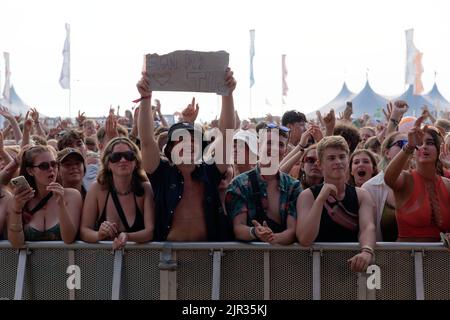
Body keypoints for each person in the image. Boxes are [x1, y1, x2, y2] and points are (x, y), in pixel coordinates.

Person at [137, 68, 236, 241]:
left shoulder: (210, 171)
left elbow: (227, 134)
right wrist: (146, 98)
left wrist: (226, 94)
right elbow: (146, 139)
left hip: (209, 258)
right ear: (170, 148)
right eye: (181, 139)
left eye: (194, 140)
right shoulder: (161, 174)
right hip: (168, 261)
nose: (189, 144)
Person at [296, 136, 376, 272]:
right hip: (316, 270)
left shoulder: (362, 195)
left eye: (342, 157)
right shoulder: (307, 196)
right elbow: (305, 238)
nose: (338, 161)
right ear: (320, 164)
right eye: (331, 158)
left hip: (352, 269)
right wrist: (321, 198)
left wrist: (367, 251)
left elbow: (367, 226)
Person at [226, 123, 301, 244]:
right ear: (259, 145)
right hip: (250, 260)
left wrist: (271, 239)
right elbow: (238, 227)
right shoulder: (240, 184)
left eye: (280, 144)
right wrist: (255, 232)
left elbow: (292, 230)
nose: (275, 148)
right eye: (270, 143)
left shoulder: (293, 186)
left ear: (285, 151)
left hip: (284, 259)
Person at [80, 137, 154, 249]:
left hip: (139, 261)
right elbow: (84, 231)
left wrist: (127, 236)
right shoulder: (97, 189)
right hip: (105, 260)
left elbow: (150, 232)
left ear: (136, 161)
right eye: (116, 157)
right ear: (108, 164)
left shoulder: (145, 189)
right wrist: (98, 235)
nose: (123, 160)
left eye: (129, 155)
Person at [384, 118, 450, 242]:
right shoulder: (406, 179)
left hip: (441, 260)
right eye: (419, 143)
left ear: (439, 149)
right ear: (414, 151)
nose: (424, 147)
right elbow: (388, 178)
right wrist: (409, 146)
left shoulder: (447, 185)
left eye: (430, 143)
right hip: (407, 259)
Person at [7, 145, 82, 248]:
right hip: (30, 263)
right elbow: (17, 243)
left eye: (54, 164)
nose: (51, 169)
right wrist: (17, 209)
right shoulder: (21, 199)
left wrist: (61, 205)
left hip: (65, 262)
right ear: (30, 171)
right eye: (44, 166)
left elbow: (68, 239)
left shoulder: (72, 195)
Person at [362, 131, 408, 241]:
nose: (407, 147)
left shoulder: (423, 183)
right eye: (401, 143)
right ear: (387, 153)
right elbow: (366, 229)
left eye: (411, 143)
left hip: (420, 256)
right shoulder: (370, 188)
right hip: (383, 257)